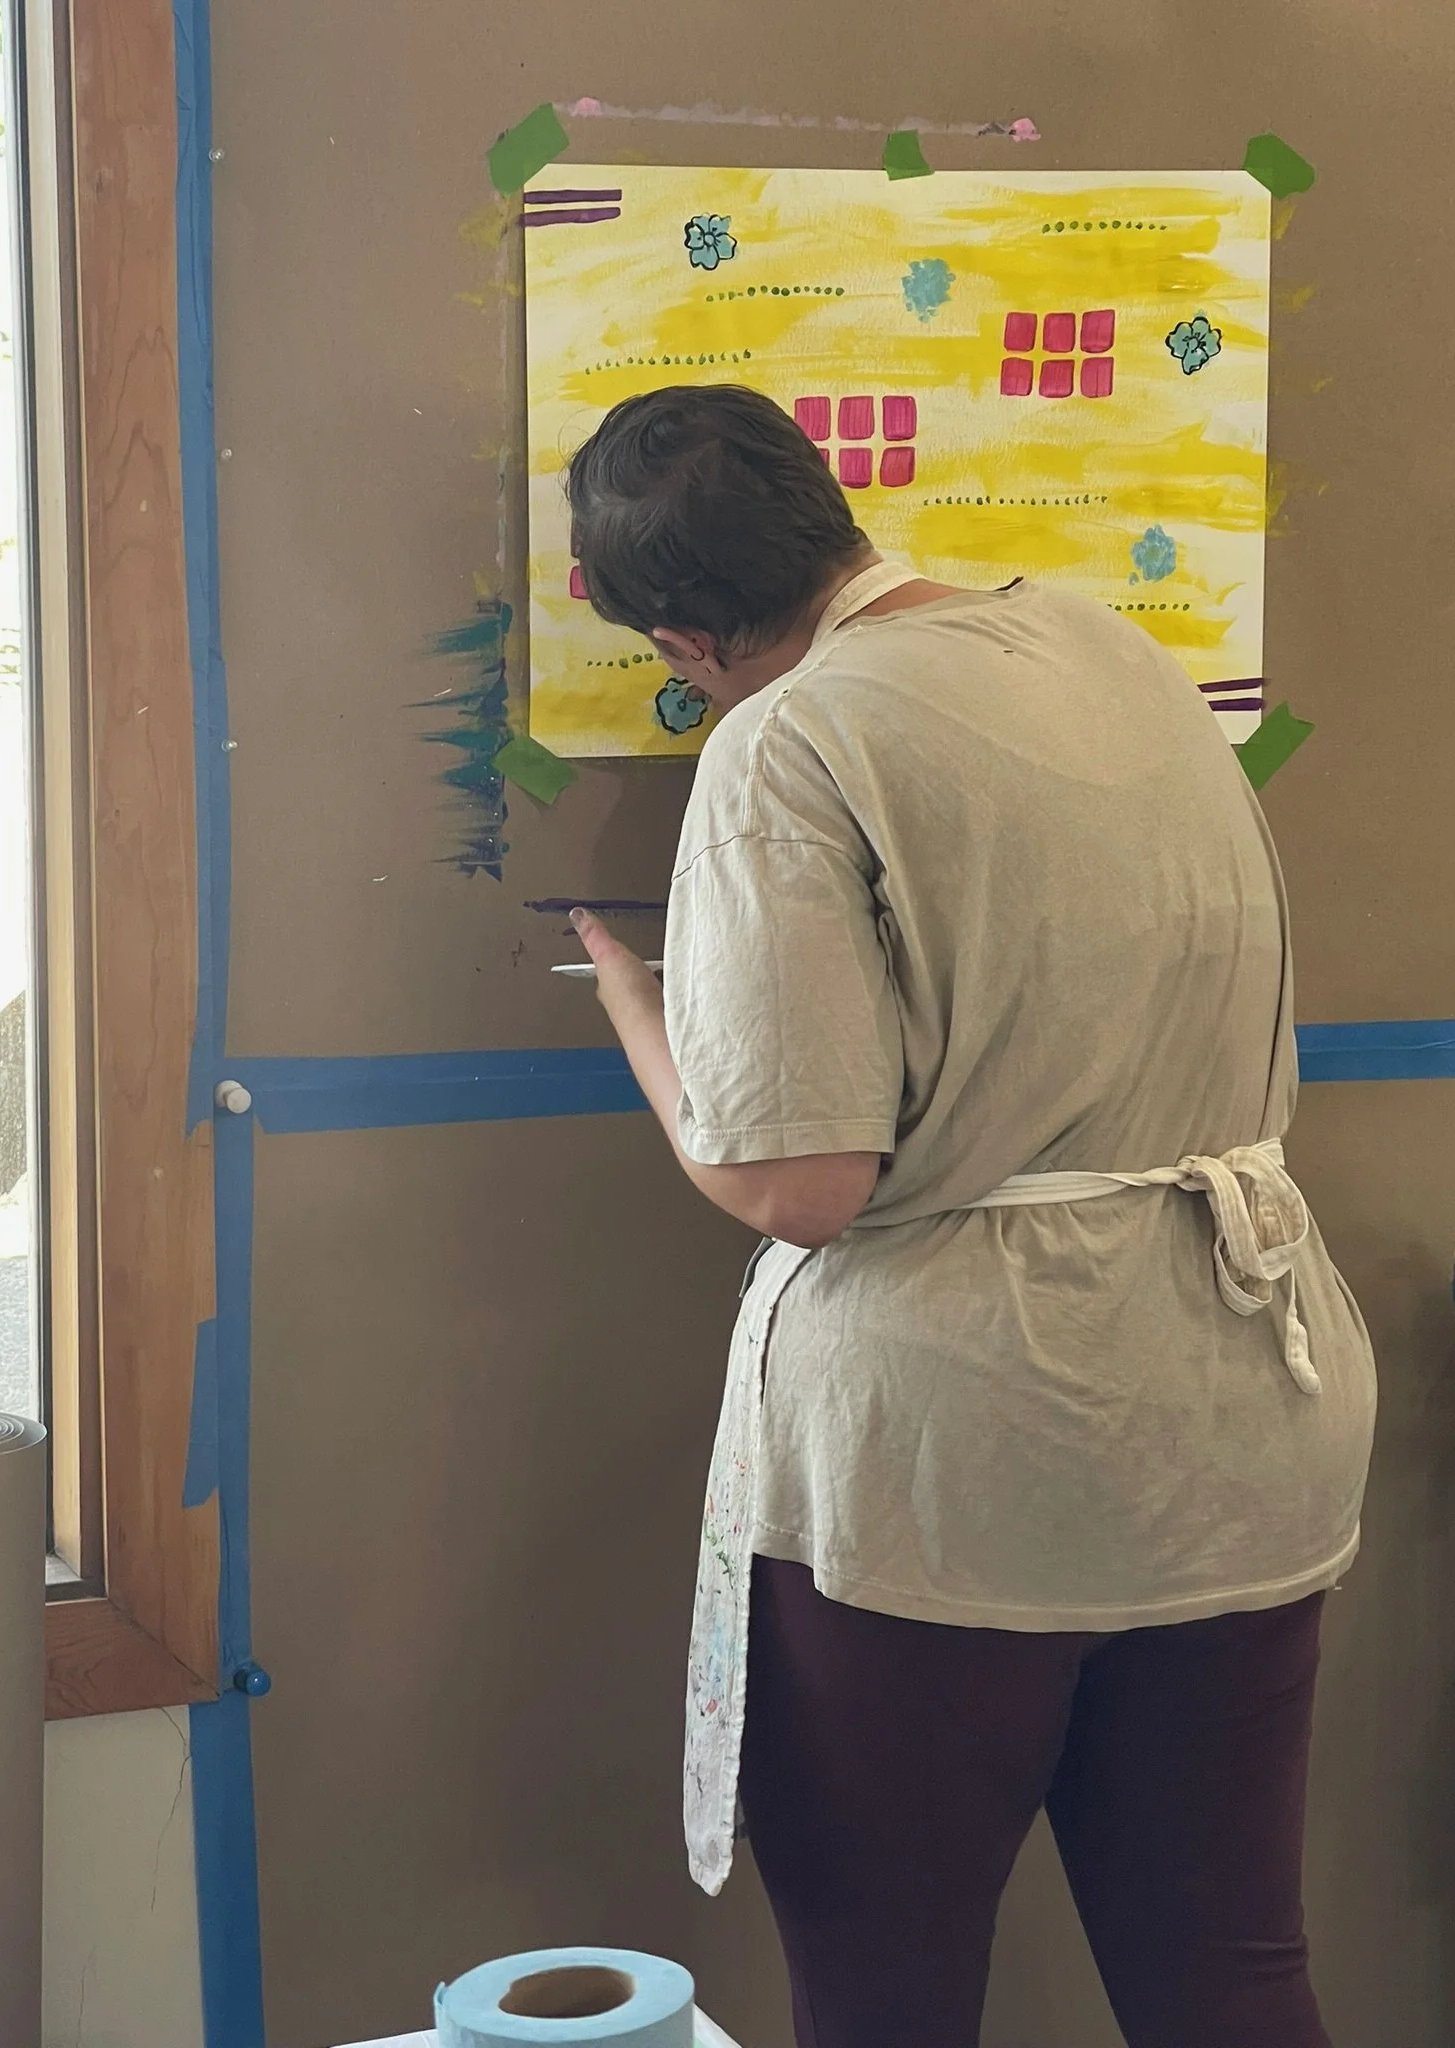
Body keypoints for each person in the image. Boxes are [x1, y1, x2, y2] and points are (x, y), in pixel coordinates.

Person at [564, 384, 1376, 2048]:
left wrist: (640, 1015)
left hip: (970, 1454)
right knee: (1226, 1967)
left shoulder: (785, 740)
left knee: (889, 1988)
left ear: (681, 634)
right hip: (1244, 1396)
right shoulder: (1109, 648)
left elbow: (797, 1179)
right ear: (830, 498)